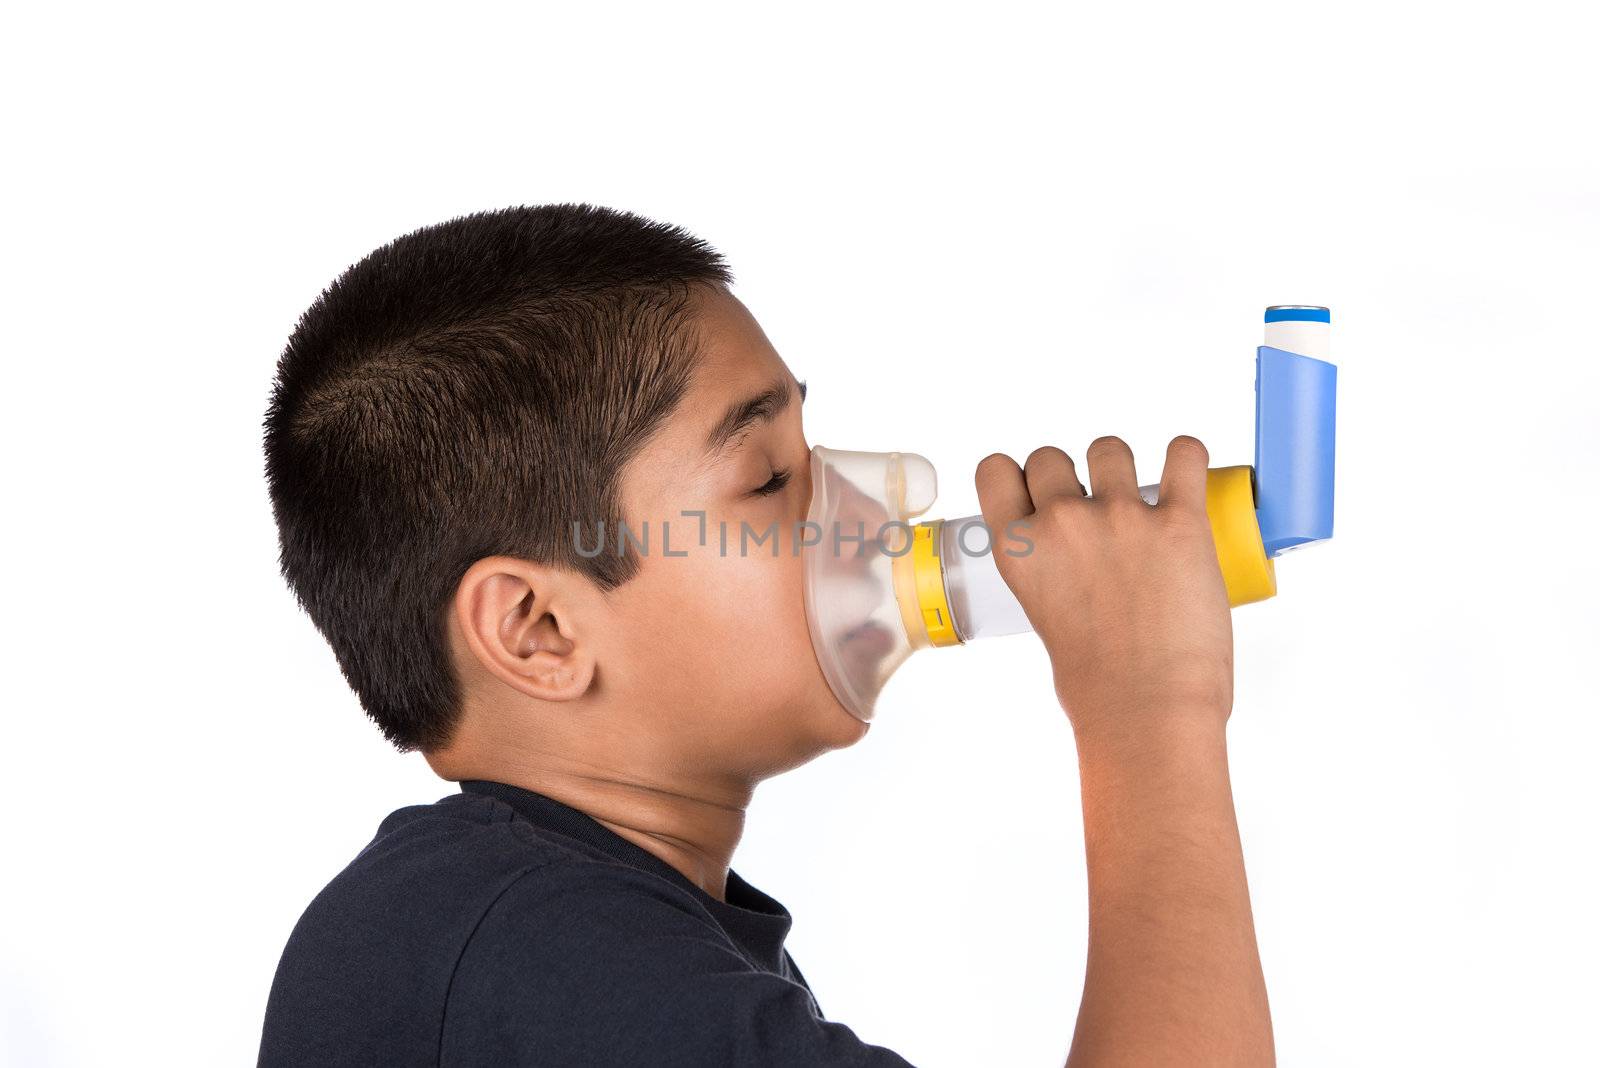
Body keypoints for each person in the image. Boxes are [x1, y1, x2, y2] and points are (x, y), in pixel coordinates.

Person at [256, 203, 1274, 1066]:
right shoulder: (528, 947)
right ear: (538, 630)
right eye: (770, 477)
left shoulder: (547, 929)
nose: (869, 507)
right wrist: (1150, 706)